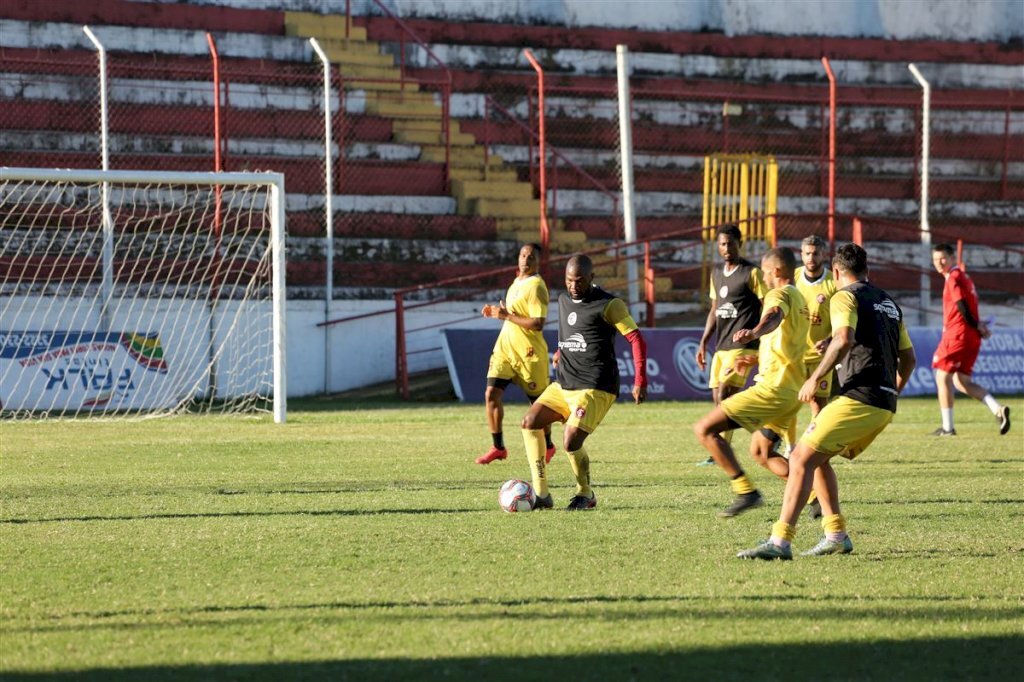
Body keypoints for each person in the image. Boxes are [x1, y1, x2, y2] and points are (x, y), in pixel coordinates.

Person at [737, 243, 917, 560]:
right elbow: (909, 359)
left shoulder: (843, 296)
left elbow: (845, 338)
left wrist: (815, 377)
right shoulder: (889, 303)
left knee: (801, 459)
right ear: (867, 269)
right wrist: (893, 392)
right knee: (817, 458)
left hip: (859, 396)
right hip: (883, 401)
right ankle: (835, 534)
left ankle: (780, 543)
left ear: (835, 272)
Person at [519, 254, 647, 510]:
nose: (573, 286)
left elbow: (636, 339)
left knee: (571, 440)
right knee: (530, 422)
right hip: (564, 383)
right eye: (569, 280)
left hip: (596, 385)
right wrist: (560, 352)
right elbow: (571, 333)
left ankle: (585, 494)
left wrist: (640, 379)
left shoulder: (610, 304)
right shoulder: (564, 299)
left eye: (579, 281)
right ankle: (542, 495)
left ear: (592, 278)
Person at [692, 247, 809, 517]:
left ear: (777, 271)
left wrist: (754, 331)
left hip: (773, 389)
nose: (763, 276)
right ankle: (816, 498)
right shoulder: (800, 299)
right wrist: (754, 359)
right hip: (790, 390)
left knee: (704, 429)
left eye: (766, 271)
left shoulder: (778, 294)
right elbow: (786, 344)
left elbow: (772, 318)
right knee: (762, 452)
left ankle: (746, 491)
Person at [475, 244, 556, 465]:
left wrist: (507, 316)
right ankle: (498, 447)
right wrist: (498, 312)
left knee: (539, 405)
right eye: (522, 255)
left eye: (531, 257)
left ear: (538, 261)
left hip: (529, 353)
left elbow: (538, 323)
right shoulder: (516, 283)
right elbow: (513, 314)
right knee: (491, 394)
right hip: (505, 349)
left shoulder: (537, 286)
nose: (526, 259)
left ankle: (548, 445)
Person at [694, 224, 767, 466]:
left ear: (740, 243)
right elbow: (715, 310)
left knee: (726, 393)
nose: (726, 248)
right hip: (722, 346)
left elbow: (768, 304)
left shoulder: (751, 273)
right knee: (719, 399)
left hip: (745, 346)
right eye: (722, 244)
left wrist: (760, 334)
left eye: (731, 243)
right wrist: (704, 341)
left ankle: (719, 451)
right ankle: (763, 430)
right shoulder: (716, 274)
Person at [930, 243, 1010, 437]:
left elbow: (961, 306)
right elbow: (968, 307)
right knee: (962, 381)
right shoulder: (965, 278)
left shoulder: (954, 278)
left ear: (952, 258)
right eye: (935, 259)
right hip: (971, 337)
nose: (939, 263)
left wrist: (976, 325)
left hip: (958, 335)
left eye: (943, 258)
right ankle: (998, 410)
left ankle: (948, 428)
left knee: (942, 377)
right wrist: (979, 325)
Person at [788, 235, 839, 519]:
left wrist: (831, 339)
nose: (811, 258)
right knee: (787, 403)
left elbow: (845, 317)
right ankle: (790, 445)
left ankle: (816, 451)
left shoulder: (833, 284)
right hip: (794, 356)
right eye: (807, 253)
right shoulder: (793, 279)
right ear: (801, 254)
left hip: (820, 360)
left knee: (818, 407)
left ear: (823, 255)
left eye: (816, 253)